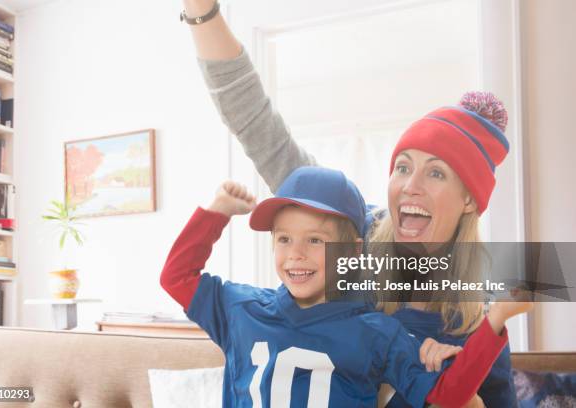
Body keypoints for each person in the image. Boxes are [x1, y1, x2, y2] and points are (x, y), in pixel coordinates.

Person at [179, 1, 519, 406]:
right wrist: (202, 10)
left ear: (468, 201)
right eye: (402, 167)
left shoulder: (476, 310)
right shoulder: (352, 230)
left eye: (437, 173)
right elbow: (256, 122)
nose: (410, 186)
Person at [160, 165, 531, 407]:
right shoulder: (240, 309)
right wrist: (218, 211)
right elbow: (176, 277)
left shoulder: (376, 331)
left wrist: (494, 320)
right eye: (284, 239)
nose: (296, 256)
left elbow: (447, 399)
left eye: (315, 241)